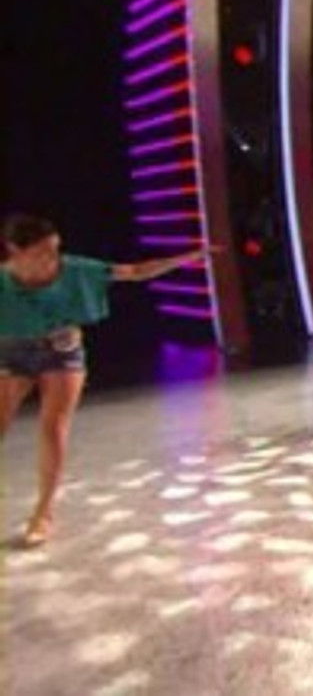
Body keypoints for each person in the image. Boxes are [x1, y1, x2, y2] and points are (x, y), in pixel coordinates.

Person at [0, 213, 214, 547]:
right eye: (41, 252)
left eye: (55, 249)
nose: (52, 258)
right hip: (11, 353)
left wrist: (187, 258)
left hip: (62, 351)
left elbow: (135, 272)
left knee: (53, 427)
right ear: (15, 250)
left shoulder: (75, 269)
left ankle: (43, 513)